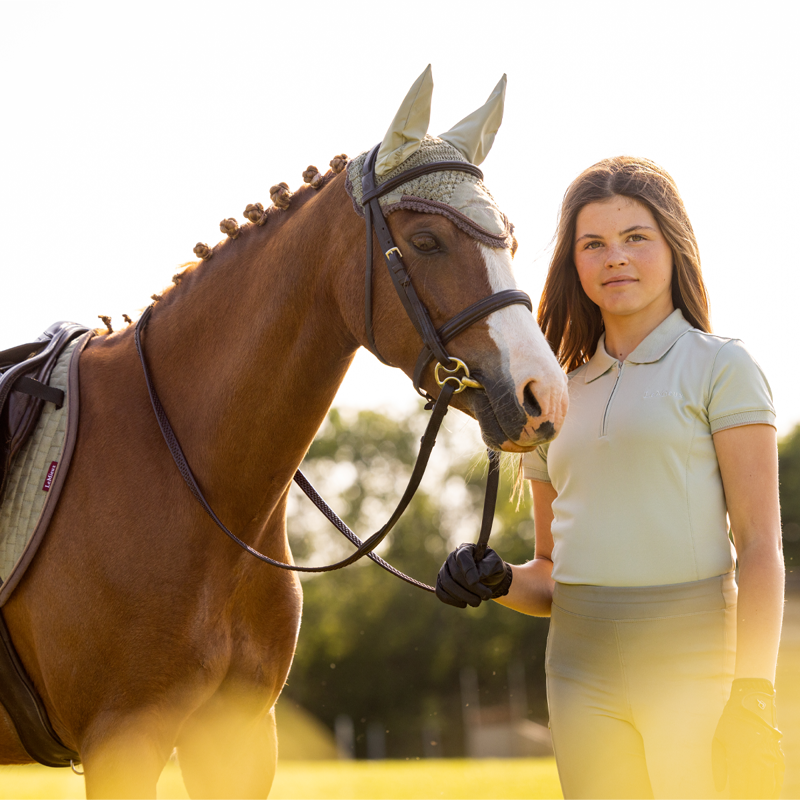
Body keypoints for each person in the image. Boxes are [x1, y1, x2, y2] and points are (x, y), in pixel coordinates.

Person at [436, 156, 785, 799]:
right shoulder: (553, 394)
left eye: (635, 238)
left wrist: (754, 693)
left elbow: (761, 546)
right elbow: (551, 573)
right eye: (592, 244)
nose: (615, 257)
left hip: (694, 664)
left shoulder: (722, 368)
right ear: (574, 264)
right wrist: (496, 578)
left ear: (674, 247)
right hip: (577, 672)